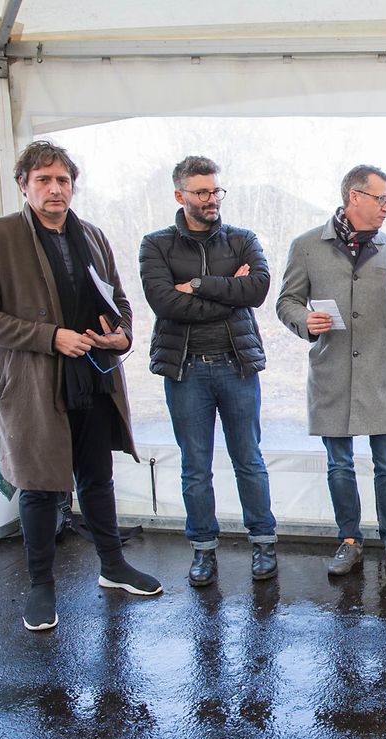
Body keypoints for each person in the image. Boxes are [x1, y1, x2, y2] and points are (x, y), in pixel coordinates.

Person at [0, 140, 162, 632]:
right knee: (39, 485)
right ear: (23, 185)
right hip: (34, 383)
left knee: (97, 478)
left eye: (63, 180)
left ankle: (113, 567)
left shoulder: (91, 235)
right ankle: (41, 586)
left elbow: (119, 301)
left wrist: (121, 335)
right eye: (44, 180)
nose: (55, 190)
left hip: (93, 376)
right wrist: (50, 337)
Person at [276, 164, 386, 581]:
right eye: (381, 199)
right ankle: (349, 541)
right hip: (332, 372)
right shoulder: (307, 246)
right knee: (340, 466)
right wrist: (303, 320)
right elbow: (287, 301)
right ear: (355, 198)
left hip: (380, 372)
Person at [139, 155, 279, 586]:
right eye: (201, 192)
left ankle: (263, 543)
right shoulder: (156, 244)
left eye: (217, 190)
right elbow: (165, 303)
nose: (212, 198)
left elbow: (256, 290)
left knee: (249, 460)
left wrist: (199, 284)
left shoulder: (242, 239)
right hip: (186, 371)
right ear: (180, 195)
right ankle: (203, 551)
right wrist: (227, 292)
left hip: (238, 367)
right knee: (195, 465)